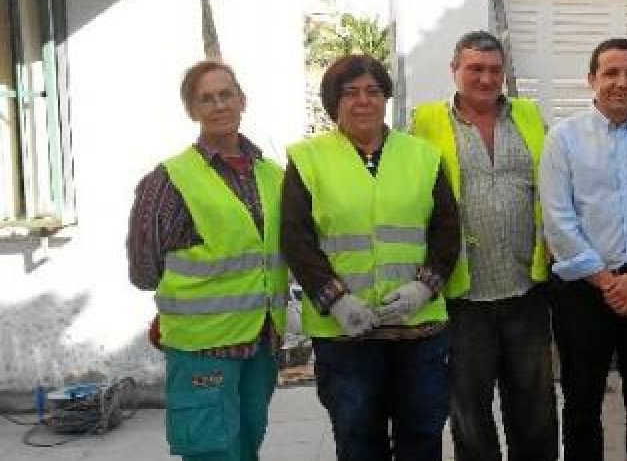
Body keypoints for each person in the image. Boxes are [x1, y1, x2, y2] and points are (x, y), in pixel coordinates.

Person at [280, 54, 461, 461]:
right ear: (333, 102)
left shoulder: (423, 156)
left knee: (422, 434)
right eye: (350, 93)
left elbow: (447, 230)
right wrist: (336, 299)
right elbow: (296, 239)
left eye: (373, 92)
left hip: (419, 331)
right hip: (346, 336)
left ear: (385, 99)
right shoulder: (308, 160)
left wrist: (424, 287)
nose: (363, 101)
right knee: (358, 438)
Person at [127, 60, 288, 460]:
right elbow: (144, 269)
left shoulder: (273, 174)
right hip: (202, 348)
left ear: (242, 100)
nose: (218, 105)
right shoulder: (169, 180)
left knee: (247, 446)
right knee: (210, 452)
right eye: (206, 99)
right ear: (192, 110)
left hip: (260, 342)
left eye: (225, 94)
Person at [409, 30, 557, 461]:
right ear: (455, 70)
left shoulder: (529, 115)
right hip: (463, 293)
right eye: (475, 68)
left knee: (535, 409)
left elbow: (554, 185)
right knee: (470, 412)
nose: (486, 78)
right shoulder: (425, 123)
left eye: (495, 70)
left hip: (526, 287)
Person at [539, 37, 627, 461]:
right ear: (591, 79)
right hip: (583, 292)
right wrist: (607, 282)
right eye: (611, 72)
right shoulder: (563, 139)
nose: (622, 82)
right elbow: (557, 219)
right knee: (582, 404)